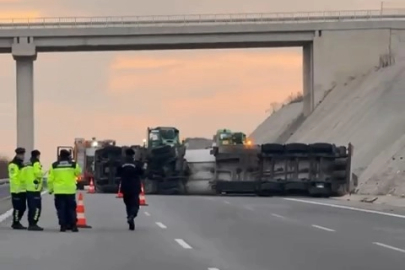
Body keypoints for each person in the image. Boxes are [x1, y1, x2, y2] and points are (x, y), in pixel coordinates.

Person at [48, 149, 82, 232]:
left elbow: (50, 179)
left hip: (59, 191)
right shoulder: (73, 164)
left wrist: (50, 189)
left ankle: (63, 226)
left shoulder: (54, 165)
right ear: (68, 156)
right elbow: (78, 173)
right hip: (70, 191)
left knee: (61, 209)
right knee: (71, 209)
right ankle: (73, 226)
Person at [117, 148, 145, 231]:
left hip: (125, 186)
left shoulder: (121, 164)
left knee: (127, 203)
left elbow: (118, 173)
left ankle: (129, 216)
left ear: (125, 154)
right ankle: (132, 216)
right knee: (135, 204)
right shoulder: (136, 164)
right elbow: (142, 173)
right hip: (135, 186)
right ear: (133, 155)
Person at [22, 150, 44, 231]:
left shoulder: (27, 163)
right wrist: (42, 173)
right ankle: (33, 224)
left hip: (28, 188)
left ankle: (30, 223)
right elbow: (38, 173)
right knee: (37, 208)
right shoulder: (36, 163)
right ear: (38, 155)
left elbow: (22, 176)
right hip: (35, 188)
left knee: (31, 207)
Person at [8, 147, 27, 229]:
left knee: (23, 208)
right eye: (21, 154)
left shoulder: (22, 164)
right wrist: (17, 189)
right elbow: (13, 177)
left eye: (23, 154)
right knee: (17, 208)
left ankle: (17, 221)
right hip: (16, 190)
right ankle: (15, 222)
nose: (22, 156)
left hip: (23, 190)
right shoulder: (13, 165)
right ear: (17, 154)